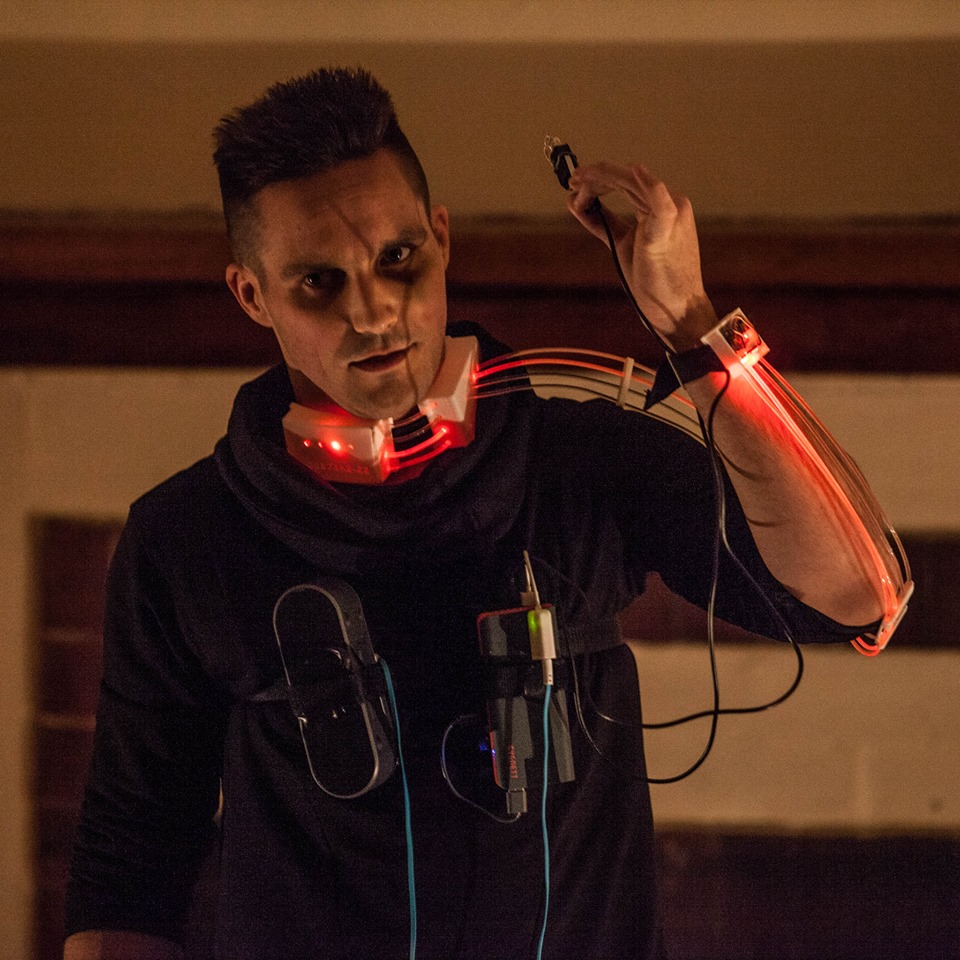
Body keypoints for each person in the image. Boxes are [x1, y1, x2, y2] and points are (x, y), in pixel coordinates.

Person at [63, 67, 883, 960]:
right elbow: (129, 868)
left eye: (398, 259)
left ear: (442, 238)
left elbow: (854, 595)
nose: (374, 311)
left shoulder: (579, 462)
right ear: (252, 295)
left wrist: (694, 327)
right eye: (319, 283)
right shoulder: (184, 537)